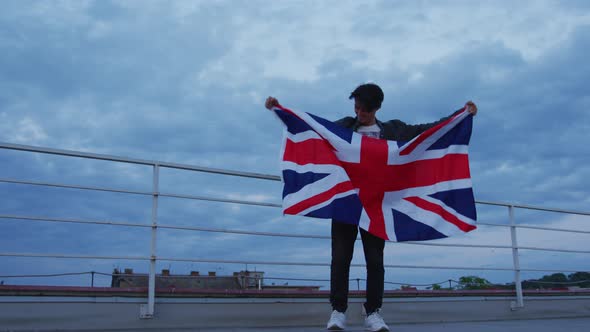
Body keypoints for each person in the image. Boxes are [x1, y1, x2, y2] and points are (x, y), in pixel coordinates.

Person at [265, 83, 477, 331]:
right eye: (356, 108)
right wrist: (280, 109)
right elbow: (314, 128)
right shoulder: (344, 126)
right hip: (346, 202)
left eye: (364, 110)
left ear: (376, 108)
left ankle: (373, 312)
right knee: (340, 258)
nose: (359, 113)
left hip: (377, 206)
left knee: (375, 260)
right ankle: (338, 311)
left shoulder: (394, 129)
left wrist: (459, 115)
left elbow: (427, 131)